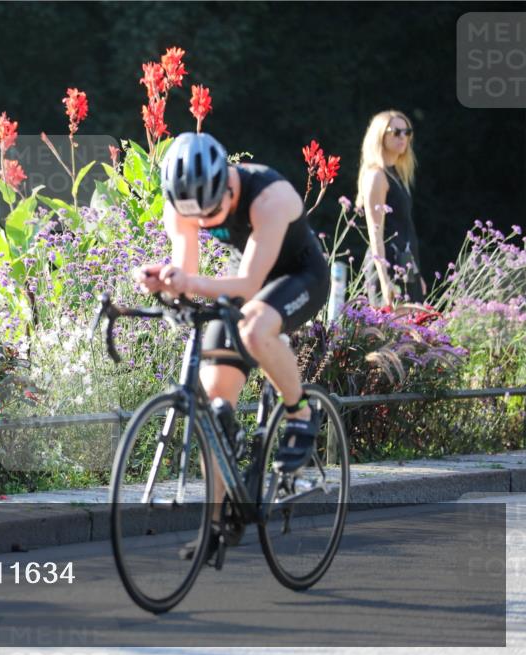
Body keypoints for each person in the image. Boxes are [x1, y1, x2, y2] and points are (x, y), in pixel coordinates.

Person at [133, 132, 330, 559]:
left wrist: (188, 281)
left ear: (227, 184)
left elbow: (249, 283)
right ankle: (217, 523)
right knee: (215, 402)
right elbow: (187, 271)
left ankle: (300, 412)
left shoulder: (269, 197)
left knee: (256, 328)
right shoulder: (182, 202)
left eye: (213, 213)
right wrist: (165, 282)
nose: (205, 221)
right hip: (248, 280)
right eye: (197, 217)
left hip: (300, 277)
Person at [357, 110, 425, 308]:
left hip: (405, 264)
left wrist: (416, 275)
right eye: (396, 132)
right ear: (380, 136)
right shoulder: (377, 176)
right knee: (392, 326)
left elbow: (405, 229)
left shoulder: (397, 175)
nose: (403, 137)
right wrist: (384, 280)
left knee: (413, 325)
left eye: (407, 132)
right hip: (387, 267)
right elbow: (375, 233)